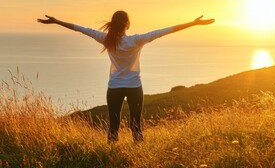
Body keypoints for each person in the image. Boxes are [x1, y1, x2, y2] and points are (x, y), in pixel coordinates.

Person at [37, 11, 215, 143]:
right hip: (134, 87)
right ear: (127, 24)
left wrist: (56, 21)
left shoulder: (105, 39)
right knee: (136, 126)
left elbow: (80, 29)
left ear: (113, 24)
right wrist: (193, 23)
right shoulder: (137, 40)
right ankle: (138, 154)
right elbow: (166, 30)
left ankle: (111, 156)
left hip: (114, 87)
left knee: (113, 126)